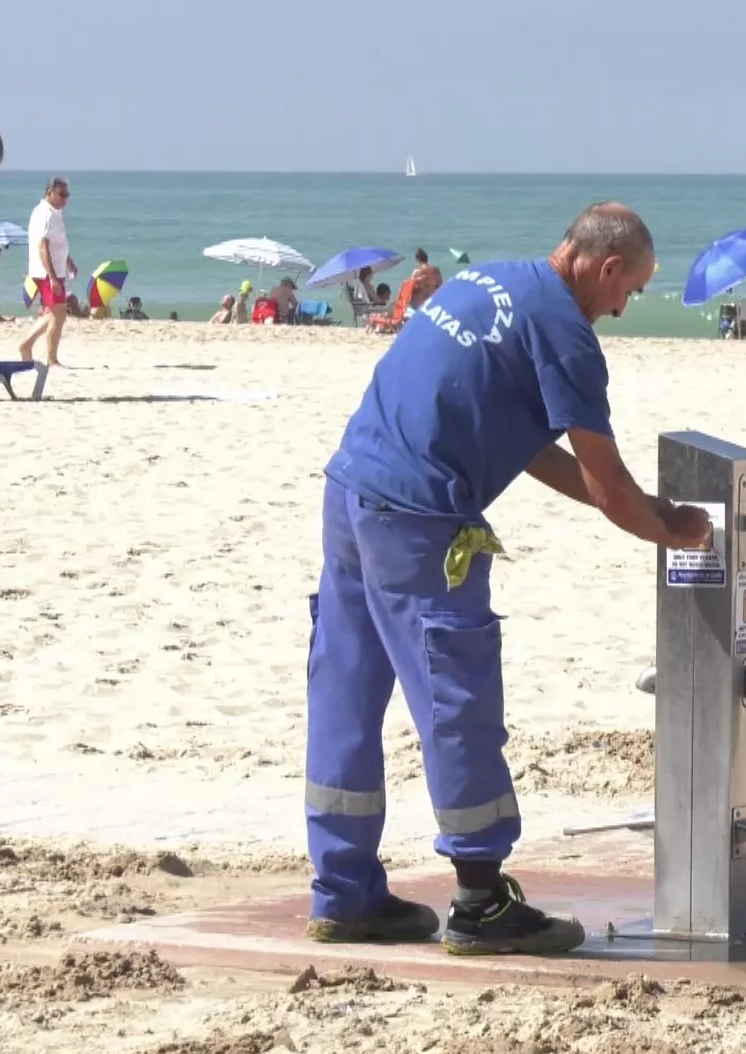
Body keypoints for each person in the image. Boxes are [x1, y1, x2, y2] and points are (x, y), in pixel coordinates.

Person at [304, 202, 711, 956]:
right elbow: (610, 485)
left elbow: (527, 447)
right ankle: (482, 903)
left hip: (350, 488)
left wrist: (636, 506)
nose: (624, 308)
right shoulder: (567, 335)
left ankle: (343, 893)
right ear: (608, 266)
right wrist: (672, 528)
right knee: (455, 688)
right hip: (420, 515)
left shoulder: (487, 280)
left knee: (346, 689)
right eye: (632, 290)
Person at [18, 178, 77, 367]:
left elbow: (57, 242)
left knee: (55, 314)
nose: (65, 199)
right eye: (61, 194)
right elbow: (43, 246)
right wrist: (52, 277)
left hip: (55, 271)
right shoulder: (45, 213)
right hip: (46, 272)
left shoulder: (55, 213)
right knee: (59, 314)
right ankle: (51, 358)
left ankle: (26, 345)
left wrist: (69, 262)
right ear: (49, 193)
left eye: (67, 195)